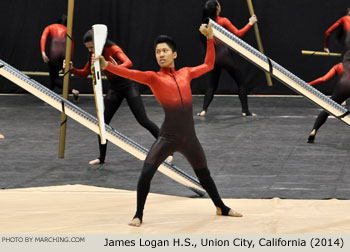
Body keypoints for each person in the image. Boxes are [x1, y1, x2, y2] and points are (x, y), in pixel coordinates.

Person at [95, 23, 242, 227]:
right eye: (157, 52)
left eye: (164, 51)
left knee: (204, 174)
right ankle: (138, 214)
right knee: (146, 173)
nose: (161, 54)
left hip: (190, 138)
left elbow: (209, 65)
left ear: (174, 54)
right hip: (167, 138)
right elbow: (129, 73)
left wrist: (210, 38)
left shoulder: (186, 73)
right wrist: (107, 66)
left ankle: (221, 207)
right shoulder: (153, 78)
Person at [68, 30, 165, 165]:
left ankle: (168, 150)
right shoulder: (94, 53)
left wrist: (113, 66)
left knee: (143, 120)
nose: (90, 50)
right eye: (88, 48)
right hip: (115, 88)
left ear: (98, 42)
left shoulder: (113, 49)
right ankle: (101, 158)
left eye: (91, 47)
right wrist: (72, 69)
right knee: (102, 123)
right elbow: (85, 73)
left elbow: (128, 63)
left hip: (128, 85)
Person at [197, 0, 257, 117]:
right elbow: (238, 34)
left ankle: (203, 110)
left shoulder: (205, 24)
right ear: (217, 8)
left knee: (212, 86)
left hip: (213, 58)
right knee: (241, 83)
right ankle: (245, 111)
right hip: (225, 57)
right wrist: (250, 22)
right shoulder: (223, 21)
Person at [307, 52, 350, 143]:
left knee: (326, 110)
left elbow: (323, 79)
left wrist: (308, 84)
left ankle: (314, 130)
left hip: (342, 88)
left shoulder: (339, 66)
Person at [40, 14, 79, 100]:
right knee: (53, 76)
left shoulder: (50, 27)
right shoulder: (67, 30)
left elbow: (43, 37)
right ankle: (48, 95)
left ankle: (73, 91)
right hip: (64, 54)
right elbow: (72, 45)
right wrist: (70, 59)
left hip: (54, 52)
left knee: (54, 78)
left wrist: (43, 52)